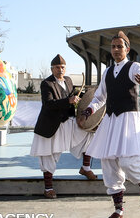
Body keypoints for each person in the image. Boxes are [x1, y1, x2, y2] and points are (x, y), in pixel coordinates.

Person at [77, 31, 140, 218]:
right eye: (113, 47)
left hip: (128, 120)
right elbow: (99, 97)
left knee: (129, 162)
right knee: (109, 165)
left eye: (120, 46)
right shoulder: (107, 72)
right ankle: (118, 210)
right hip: (110, 121)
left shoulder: (133, 66)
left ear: (127, 49)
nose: (116, 50)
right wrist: (89, 110)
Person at [30, 54, 97, 199]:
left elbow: (73, 96)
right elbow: (48, 104)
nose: (60, 70)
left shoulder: (68, 80)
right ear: (52, 69)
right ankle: (48, 188)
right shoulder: (46, 84)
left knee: (89, 134)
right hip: (52, 125)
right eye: (57, 67)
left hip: (69, 122)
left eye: (62, 67)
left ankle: (85, 168)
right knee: (49, 155)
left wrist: (89, 95)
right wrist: (68, 100)